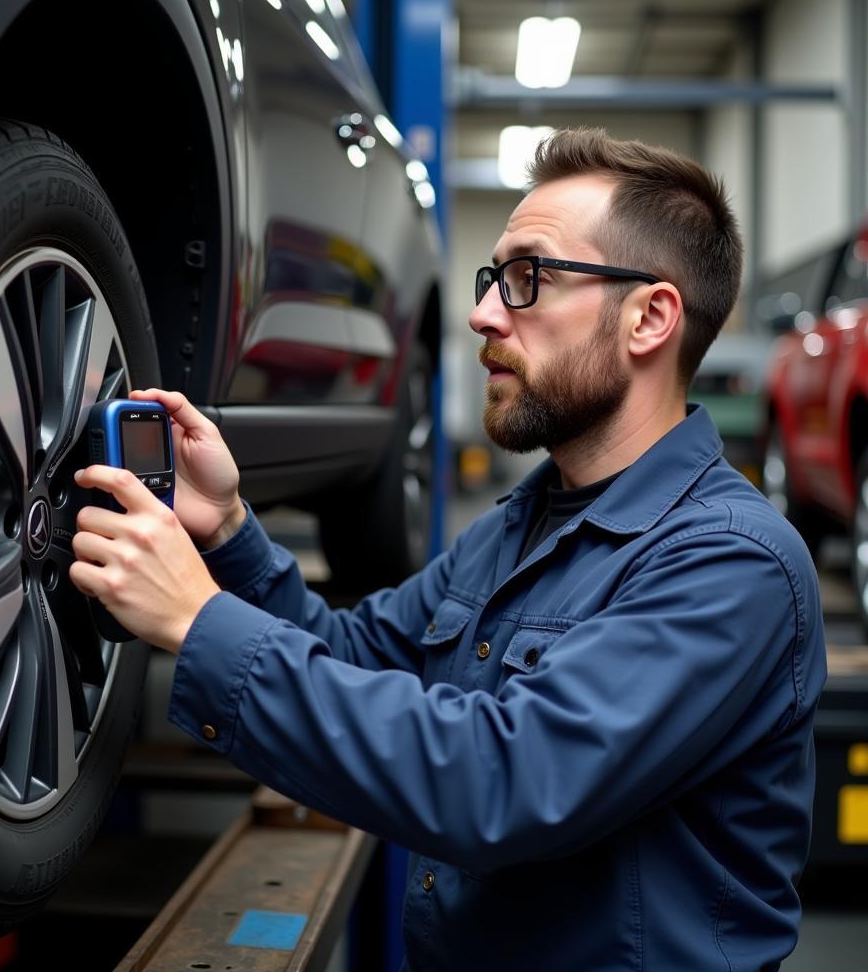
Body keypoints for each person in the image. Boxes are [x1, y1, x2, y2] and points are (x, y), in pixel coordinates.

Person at [70, 128, 826, 971]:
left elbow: (501, 783)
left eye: (526, 278)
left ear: (649, 317)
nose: (482, 313)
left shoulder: (731, 565)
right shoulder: (517, 527)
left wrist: (199, 620)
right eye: (491, 279)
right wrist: (231, 531)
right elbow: (353, 656)